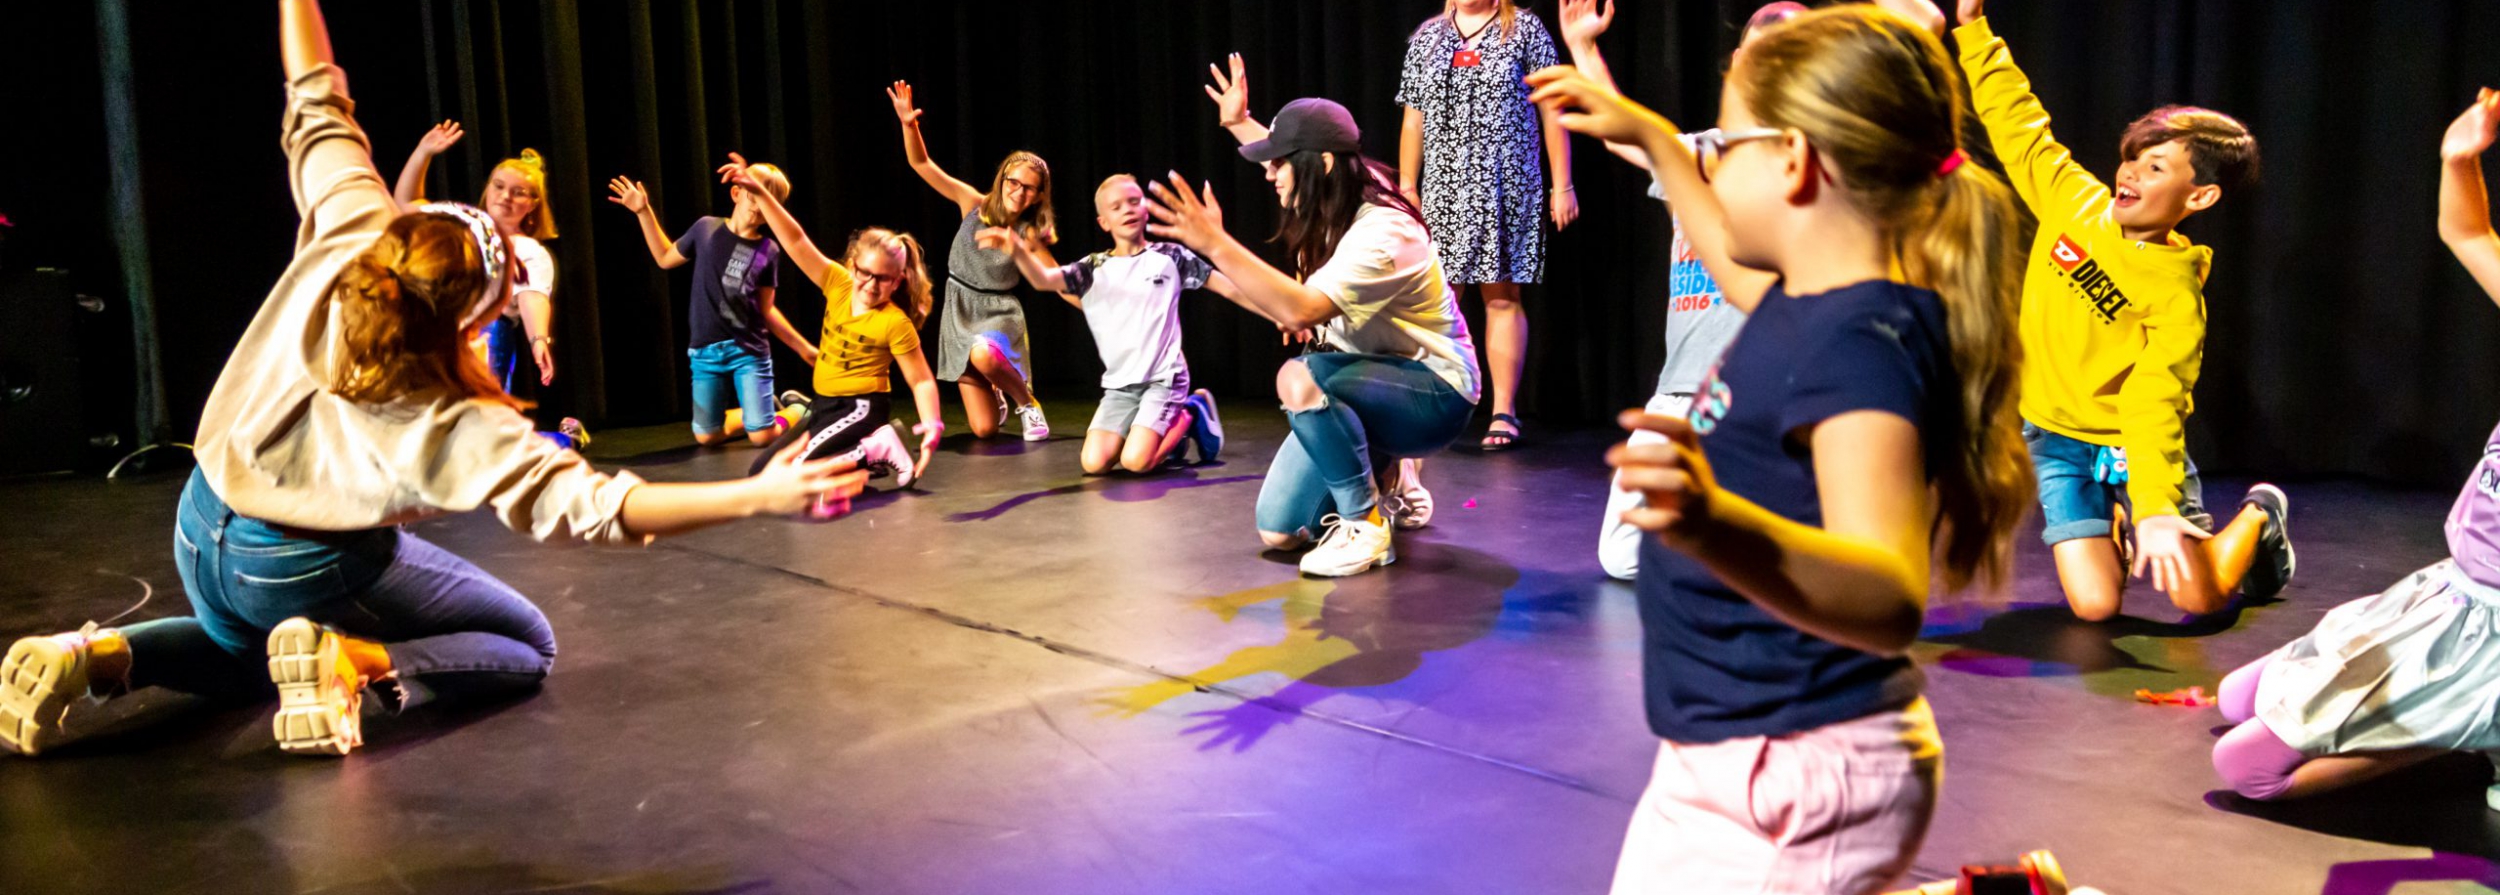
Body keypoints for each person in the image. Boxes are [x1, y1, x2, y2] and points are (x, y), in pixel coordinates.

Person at [0, 1, 861, 760]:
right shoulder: (448, 413)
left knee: (245, 653)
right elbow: (604, 508)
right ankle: (353, 661)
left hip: (198, 523)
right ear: (474, 317)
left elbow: (316, 91)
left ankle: (97, 654)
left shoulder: (352, 225)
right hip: (300, 565)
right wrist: (757, 497)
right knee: (527, 642)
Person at [1527, 4, 2032, 889]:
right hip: (1716, 753)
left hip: (1804, 767)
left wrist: (1714, 523)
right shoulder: (1803, 301)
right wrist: (1654, 136)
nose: (1714, 164)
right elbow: (1723, 248)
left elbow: (1888, 592)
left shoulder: (1861, 345)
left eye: (1728, 144)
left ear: (1794, 162)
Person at [1885, 0, 2292, 621]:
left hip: (2133, 446)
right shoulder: (2076, 205)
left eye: (2155, 166)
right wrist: (1972, 30)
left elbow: (2155, 403)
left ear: (2199, 195)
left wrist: (2156, 508)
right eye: (2132, 156)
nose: (2130, 172)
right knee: (2096, 606)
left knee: (2198, 599)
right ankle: (2119, 525)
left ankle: (2261, 515)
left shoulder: (2176, 294)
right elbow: (2021, 127)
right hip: (2054, 438)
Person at [2208, 88, 2500, 807]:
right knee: (2234, 695)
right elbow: (2469, 236)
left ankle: (2472, 732)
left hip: (2488, 640)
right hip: (2447, 593)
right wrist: (2457, 159)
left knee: (2245, 766)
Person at [1168, 55, 1481, 577]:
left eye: (1278, 163)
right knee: (1279, 531)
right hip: (1370, 382)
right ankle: (1380, 476)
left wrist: (1217, 244)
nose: (1268, 173)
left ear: (1323, 166)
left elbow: (1301, 307)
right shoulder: (1329, 210)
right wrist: (1236, 122)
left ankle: (1366, 524)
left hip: (1436, 393)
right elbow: (1295, 152)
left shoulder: (1383, 233)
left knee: (1300, 376)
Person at [1559, 0, 1805, 580]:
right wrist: (1584, 48)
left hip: (1759, 395)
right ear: (1739, 60)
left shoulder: (1806, 159)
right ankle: (1729, 549)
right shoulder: (1702, 149)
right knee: (1620, 556)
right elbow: (1628, 135)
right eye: (1757, 45)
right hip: (1679, 391)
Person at [1396, 0, 1576, 450]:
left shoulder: (1526, 30)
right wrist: (1406, 184)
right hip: (1443, 188)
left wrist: (1563, 185)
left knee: (1501, 294)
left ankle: (1504, 411)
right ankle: (1436, 407)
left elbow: (1553, 110)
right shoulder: (1427, 38)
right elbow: (1413, 119)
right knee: (1439, 300)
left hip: (1506, 183)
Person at [981, 174, 1246, 474]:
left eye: (1134, 202)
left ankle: (1190, 412)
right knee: (1093, 464)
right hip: (1120, 387)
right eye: (1117, 207)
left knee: (1136, 461)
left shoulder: (1170, 257)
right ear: (1104, 222)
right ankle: (1156, 430)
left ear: (1145, 209)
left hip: (1164, 380)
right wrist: (1018, 251)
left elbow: (1230, 287)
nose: (1128, 210)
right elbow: (1045, 280)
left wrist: (1279, 315)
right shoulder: (1093, 267)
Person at [719, 154, 944, 488]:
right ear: (852, 265)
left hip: (861, 408)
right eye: (865, 273)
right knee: (761, 474)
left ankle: (876, 445)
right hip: (824, 405)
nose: (870, 284)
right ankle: (865, 461)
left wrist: (931, 425)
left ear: (897, 281)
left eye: (883, 279)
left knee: (790, 476)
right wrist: (763, 196)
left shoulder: (894, 323)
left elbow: (921, 380)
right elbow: (795, 240)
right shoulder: (838, 283)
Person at [888, 80, 1059, 441]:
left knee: (984, 355)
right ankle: (997, 387)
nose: (1018, 191)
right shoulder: (973, 204)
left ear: (1037, 196)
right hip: (959, 308)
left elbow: (1057, 279)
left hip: (998, 313)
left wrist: (1098, 298)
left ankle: (1028, 404)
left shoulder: (1028, 233)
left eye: (1028, 188)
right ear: (1002, 180)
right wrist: (909, 124)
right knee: (983, 430)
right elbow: (921, 163)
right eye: (1013, 182)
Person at [607, 164, 817, 447]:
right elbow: (665, 257)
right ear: (736, 192)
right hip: (705, 352)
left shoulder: (769, 250)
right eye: (754, 193)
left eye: (770, 199)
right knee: (707, 436)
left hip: (749, 351)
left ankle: (795, 410)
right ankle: (756, 413)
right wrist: (643, 211)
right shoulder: (706, 228)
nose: (759, 203)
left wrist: (802, 347)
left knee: (762, 437)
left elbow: (766, 309)